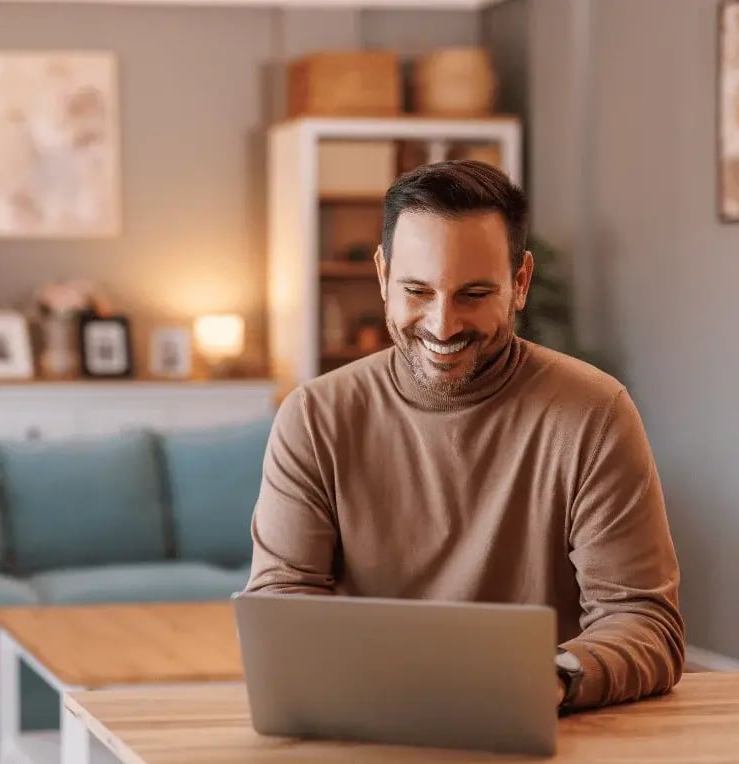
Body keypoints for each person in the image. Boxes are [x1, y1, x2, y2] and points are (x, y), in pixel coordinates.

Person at [246, 160, 685, 712]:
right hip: (366, 725)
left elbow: (643, 621)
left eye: (473, 294)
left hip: (540, 726)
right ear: (382, 275)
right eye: (417, 290)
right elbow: (282, 606)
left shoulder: (594, 414)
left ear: (520, 283)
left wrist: (549, 677)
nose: (442, 324)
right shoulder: (314, 417)